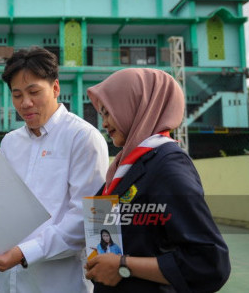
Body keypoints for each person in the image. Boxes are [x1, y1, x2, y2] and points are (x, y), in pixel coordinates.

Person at [0, 46, 109, 293]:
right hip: (8, 281)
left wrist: (24, 253)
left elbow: (87, 218)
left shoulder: (83, 138)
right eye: (17, 95)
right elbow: (2, 204)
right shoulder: (10, 142)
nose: (25, 103)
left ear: (55, 88)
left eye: (34, 92)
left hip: (59, 282)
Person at [84, 68, 231, 292]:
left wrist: (124, 266)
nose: (104, 123)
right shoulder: (126, 166)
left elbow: (209, 263)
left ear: (136, 105)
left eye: (108, 112)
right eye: (102, 114)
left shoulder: (168, 167)